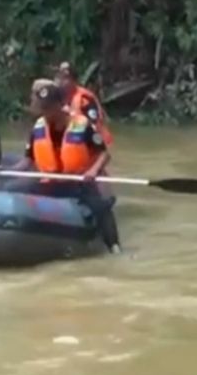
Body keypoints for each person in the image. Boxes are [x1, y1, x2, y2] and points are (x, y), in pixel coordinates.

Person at [9, 82, 121, 254]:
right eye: (41, 108)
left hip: (78, 183)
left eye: (47, 108)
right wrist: (9, 172)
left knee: (101, 207)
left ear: (58, 106)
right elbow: (27, 161)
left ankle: (114, 246)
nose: (44, 113)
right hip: (49, 182)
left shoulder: (82, 125)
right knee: (13, 189)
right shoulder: (38, 127)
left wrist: (92, 171)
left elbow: (104, 155)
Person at [54, 61, 113, 146]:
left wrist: (69, 115)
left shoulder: (85, 99)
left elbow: (93, 127)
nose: (61, 81)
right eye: (59, 77)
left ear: (74, 81)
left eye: (65, 78)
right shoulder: (57, 98)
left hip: (98, 144)